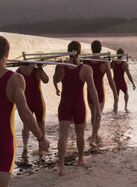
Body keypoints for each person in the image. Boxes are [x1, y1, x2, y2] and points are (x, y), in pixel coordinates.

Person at [0, 36, 50, 187]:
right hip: (4, 141)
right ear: (7, 53)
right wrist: (41, 138)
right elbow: (25, 113)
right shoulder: (15, 79)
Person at [53, 41, 100, 176]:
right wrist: (97, 109)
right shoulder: (86, 69)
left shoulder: (62, 66)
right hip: (79, 104)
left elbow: (55, 80)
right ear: (80, 52)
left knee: (63, 135)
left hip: (64, 104)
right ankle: (80, 159)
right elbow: (92, 89)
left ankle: (61, 167)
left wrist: (58, 67)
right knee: (80, 134)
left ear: (68, 51)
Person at [84, 40, 118, 146]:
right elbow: (111, 80)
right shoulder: (104, 63)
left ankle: (95, 135)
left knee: (94, 114)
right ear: (100, 49)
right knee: (98, 115)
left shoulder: (86, 61)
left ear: (92, 49)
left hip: (89, 91)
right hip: (99, 91)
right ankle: (93, 138)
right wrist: (115, 93)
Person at [16, 64, 49, 162]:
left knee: (39, 123)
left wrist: (41, 69)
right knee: (29, 125)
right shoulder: (18, 71)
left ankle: (39, 148)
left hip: (34, 101)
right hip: (30, 101)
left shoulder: (35, 70)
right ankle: (26, 148)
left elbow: (46, 80)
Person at [111, 48, 136, 113]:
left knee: (116, 99)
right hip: (122, 81)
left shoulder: (113, 62)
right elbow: (128, 74)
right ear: (122, 55)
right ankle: (125, 106)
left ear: (117, 54)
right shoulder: (124, 64)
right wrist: (133, 83)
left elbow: (107, 66)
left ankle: (115, 111)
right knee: (126, 92)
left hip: (115, 82)